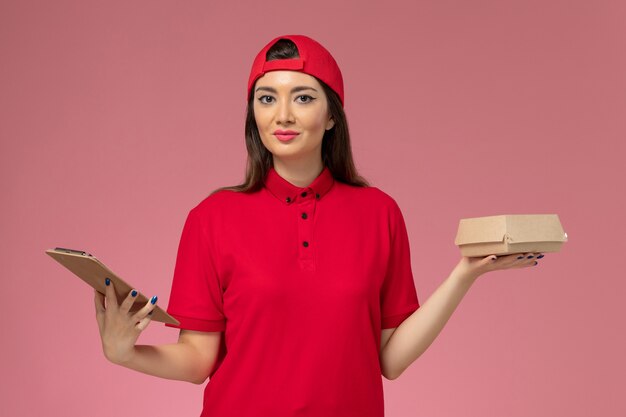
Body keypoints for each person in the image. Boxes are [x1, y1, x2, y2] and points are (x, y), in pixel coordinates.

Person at [94, 34, 544, 417]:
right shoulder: (211, 219)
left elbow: (389, 359)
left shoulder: (379, 213)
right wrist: (125, 353)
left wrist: (464, 274)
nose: (282, 115)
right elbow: (197, 360)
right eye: (266, 98)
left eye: (303, 97)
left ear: (332, 116)